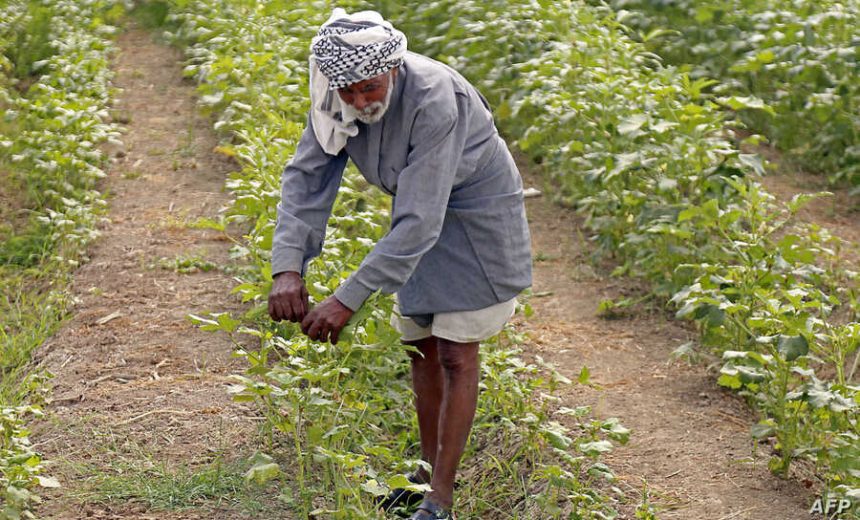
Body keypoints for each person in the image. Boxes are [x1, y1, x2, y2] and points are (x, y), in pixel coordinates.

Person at [267, 8, 532, 520]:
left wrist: (346, 299)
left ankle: (441, 500)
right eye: (348, 92)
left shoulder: (435, 98)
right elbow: (306, 181)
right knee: (420, 345)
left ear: (392, 68)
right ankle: (425, 476)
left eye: (369, 88)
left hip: (475, 216)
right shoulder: (335, 93)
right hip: (418, 212)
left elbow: (420, 221)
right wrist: (288, 267)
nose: (359, 102)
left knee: (455, 352)